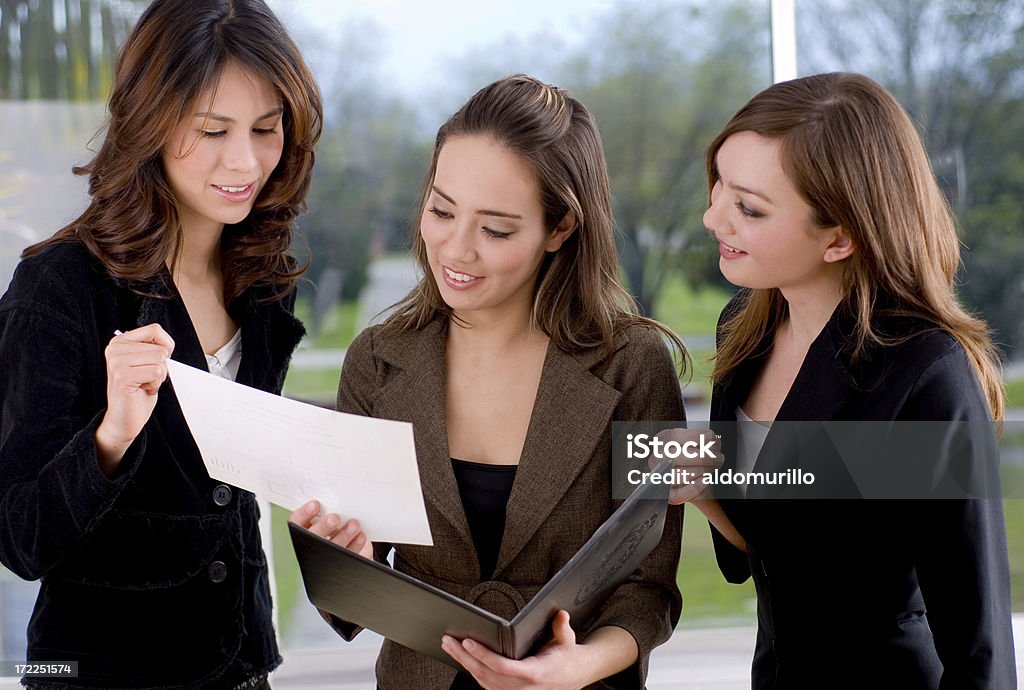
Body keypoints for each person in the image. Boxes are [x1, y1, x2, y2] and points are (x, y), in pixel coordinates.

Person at [289, 74, 686, 690]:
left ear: (560, 229)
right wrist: (343, 561)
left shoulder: (632, 364)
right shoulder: (378, 360)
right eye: (442, 210)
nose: (456, 247)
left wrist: (577, 666)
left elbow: (649, 587)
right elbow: (350, 597)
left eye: (496, 229)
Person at [0, 0, 322, 687]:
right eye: (213, 130)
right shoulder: (58, 287)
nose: (245, 160)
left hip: (242, 668)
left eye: (267, 129)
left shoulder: (264, 285)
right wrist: (111, 436)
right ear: (150, 123)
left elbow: (231, 496)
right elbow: (20, 537)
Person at [671, 72, 1015, 689]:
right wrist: (701, 491)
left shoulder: (927, 374)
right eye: (719, 185)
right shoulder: (740, 332)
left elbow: (979, 642)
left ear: (841, 238)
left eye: (747, 207)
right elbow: (777, 551)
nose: (711, 217)